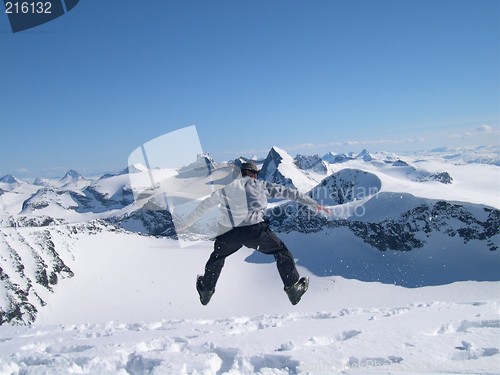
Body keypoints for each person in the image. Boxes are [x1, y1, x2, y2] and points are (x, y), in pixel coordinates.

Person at [178, 161, 330, 306]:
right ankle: (292, 288)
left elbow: (205, 205)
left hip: (229, 233)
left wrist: (186, 223)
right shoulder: (262, 186)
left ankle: (206, 291)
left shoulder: (228, 189)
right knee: (281, 252)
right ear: (254, 175)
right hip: (255, 232)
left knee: (217, 258)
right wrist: (314, 204)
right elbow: (291, 193)